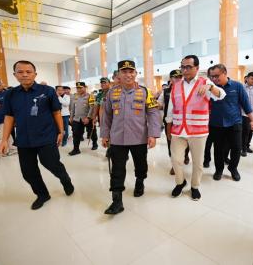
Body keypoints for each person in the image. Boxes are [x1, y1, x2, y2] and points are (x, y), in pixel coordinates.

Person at [0, 60, 74, 210]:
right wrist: (4, 139)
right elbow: (9, 117)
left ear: (35, 74)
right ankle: (42, 194)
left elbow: (56, 112)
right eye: (20, 72)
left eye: (28, 71)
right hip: (24, 139)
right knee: (28, 171)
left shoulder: (47, 91)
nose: (25, 74)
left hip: (46, 136)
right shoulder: (10, 94)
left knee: (51, 164)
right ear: (15, 75)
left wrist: (61, 131)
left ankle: (65, 180)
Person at [100, 60, 161, 215]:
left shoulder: (145, 92)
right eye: (124, 71)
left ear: (135, 73)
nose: (128, 74)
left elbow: (153, 113)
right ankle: (117, 201)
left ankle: (140, 182)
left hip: (139, 137)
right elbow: (106, 115)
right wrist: (105, 134)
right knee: (117, 169)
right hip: (118, 138)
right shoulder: (111, 92)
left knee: (141, 165)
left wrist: (153, 134)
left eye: (131, 71)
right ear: (118, 75)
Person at [166, 55, 225, 201]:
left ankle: (195, 186)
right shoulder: (176, 85)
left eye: (188, 67)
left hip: (198, 131)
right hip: (178, 130)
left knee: (198, 163)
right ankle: (180, 183)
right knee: (176, 160)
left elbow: (221, 95)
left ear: (197, 68)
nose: (185, 70)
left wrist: (210, 87)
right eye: (183, 67)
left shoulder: (205, 82)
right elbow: (171, 108)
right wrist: (168, 126)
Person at [209, 64, 253, 181]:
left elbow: (245, 104)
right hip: (216, 123)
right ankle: (219, 169)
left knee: (236, 147)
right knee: (218, 149)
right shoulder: (211, 88)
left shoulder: (237, 86)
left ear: (225, 73)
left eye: (216, 76)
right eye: (212, 76)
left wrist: (252, 120)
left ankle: (233, 168)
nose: (214, 79)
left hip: (235, 122)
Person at [157, 70, 190, 175]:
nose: (178, 79)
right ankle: (174, 164)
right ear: (170, 79)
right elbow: (159, 104)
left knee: (186, 141)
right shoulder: (166, 91)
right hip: (169, 122)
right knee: (170, 142)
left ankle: (185, 155)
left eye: (180, 77)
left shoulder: (187, 90)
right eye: (175, 77)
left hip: (184, 121)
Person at [68, 81, 97, 155]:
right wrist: (71, 117)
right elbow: (72, 108)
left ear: (85, 87)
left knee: (91, 132)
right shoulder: (75, 96)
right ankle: (76, 149)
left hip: (87, 118)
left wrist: (88, 117)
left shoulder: (90, 96)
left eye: (80, 88)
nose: (79, 89)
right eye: (77, 88)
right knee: (76, 134)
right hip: (77, 119)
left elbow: (92, 108)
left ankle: (95, 143)